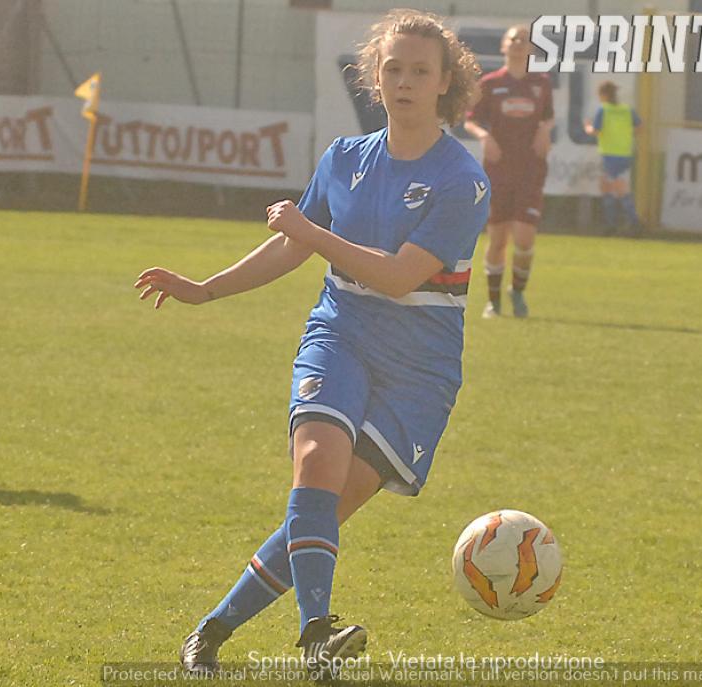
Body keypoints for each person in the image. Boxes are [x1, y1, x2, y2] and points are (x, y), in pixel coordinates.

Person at [133, 9, 488, 679]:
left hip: (419, 371)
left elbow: (396, 276)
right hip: (341, 334)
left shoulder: (461, 180)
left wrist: (310, 231)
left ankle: (211, 630)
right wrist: (205, 289)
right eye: (393, 69)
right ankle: (317, 635)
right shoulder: (344, 158)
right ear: (375, 78)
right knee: (315, 466)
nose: (405, 81)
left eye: (421, 71)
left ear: (446, 82)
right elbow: (290, 247)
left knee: (324, 509)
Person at [464, 25, 554, 319]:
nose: (517, 43)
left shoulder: (541, 83)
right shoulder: (490, 84)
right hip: (498, 171)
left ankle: (517, 292)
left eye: (523, 40)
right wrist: (484, 137)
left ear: (531, 48)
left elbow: (548, 118)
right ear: (503, 46)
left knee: (525, 238)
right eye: (512, 39)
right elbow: (470, 121)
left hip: (530, 169)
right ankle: (493, 302)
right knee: (498, 238)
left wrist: (544, 130)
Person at [585, 80, 642, 234]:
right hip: (625, 154)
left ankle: (629, 223)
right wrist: (625, 136)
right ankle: (616, 223)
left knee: (615, 189)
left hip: (610, 154)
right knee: (610, 186)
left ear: (604, 95)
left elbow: (595, 131)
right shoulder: (627, 109)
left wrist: (587, 127)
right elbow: (639, 127)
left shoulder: (604, 109)